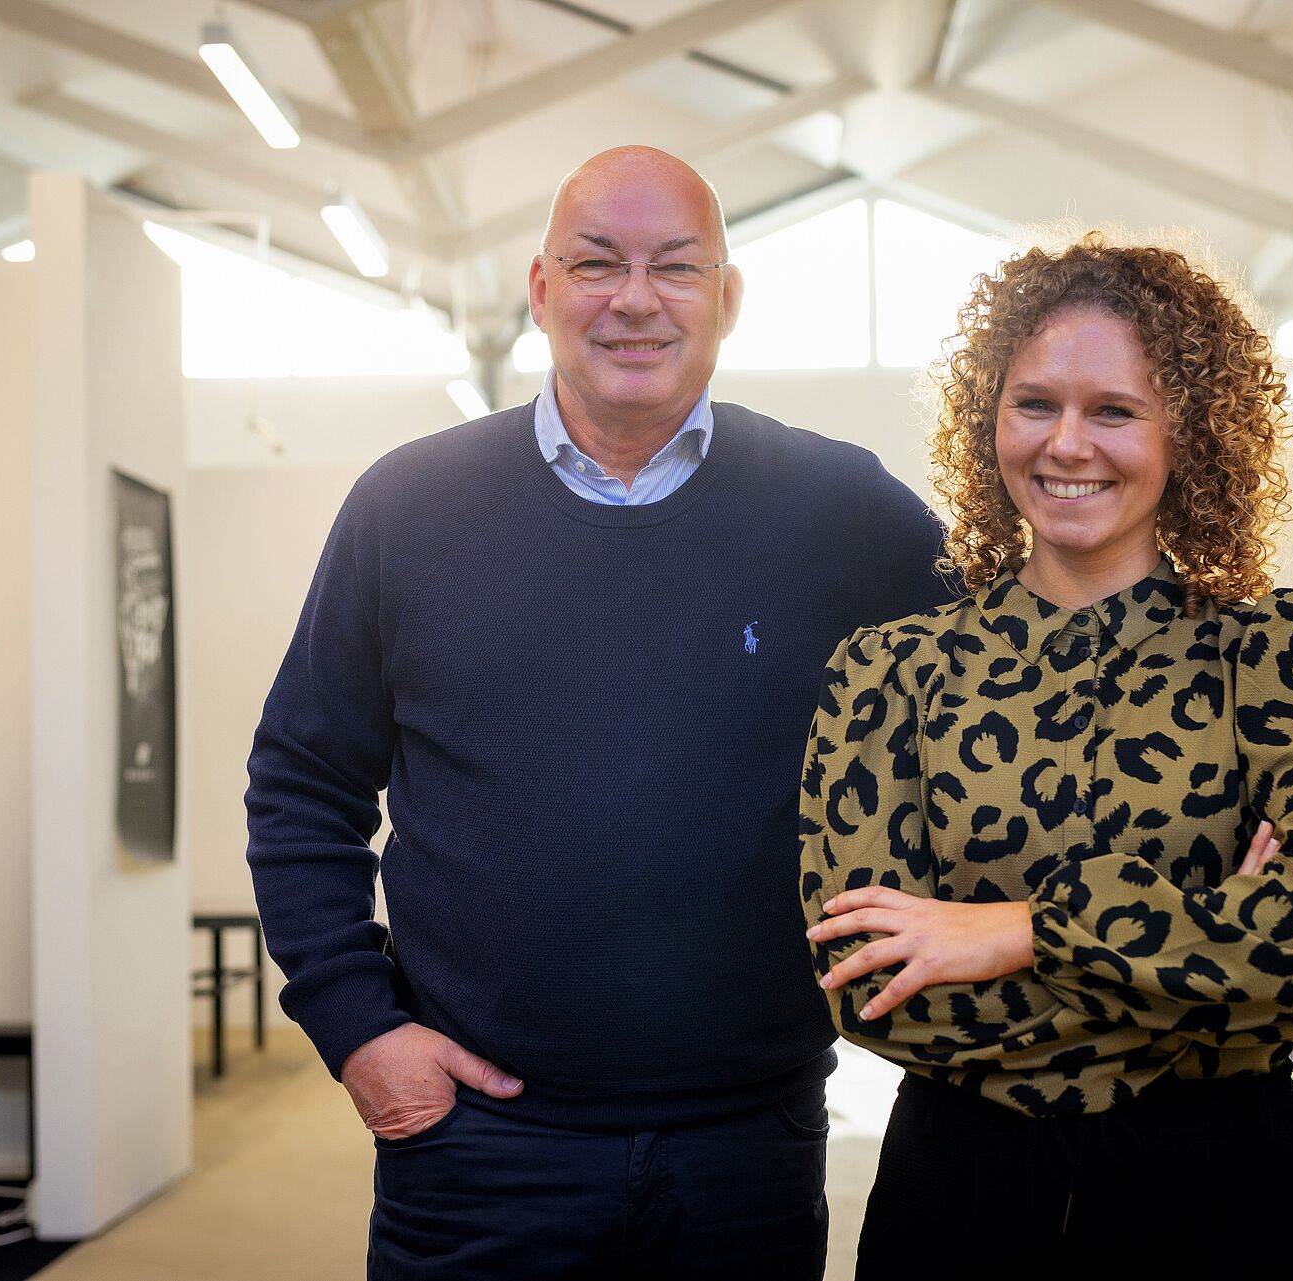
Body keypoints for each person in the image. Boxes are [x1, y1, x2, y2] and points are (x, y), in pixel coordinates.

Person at [245, 146, 955, 1279]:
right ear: (539, 291)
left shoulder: (839, 508)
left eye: (676, 267)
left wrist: (1214, 796)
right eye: (596, 265)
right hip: (479, 1144)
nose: (634, 299)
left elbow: (1024, 674)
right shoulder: (408, 508)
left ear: (726, 299)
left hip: (750, 1144)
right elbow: (301, 785)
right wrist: (359, 1028)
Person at [799, 232, 1293, 1279]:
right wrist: (1209, 969)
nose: (1067, 444)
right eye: (1035, 404)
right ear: (990, 420)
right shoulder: (889, 672)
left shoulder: (1272, 653)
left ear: (1188, 434)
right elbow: (870, 982)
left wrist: (1017, 932)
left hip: (1226, 1194)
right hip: (963, 1199)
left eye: (1113, 411)